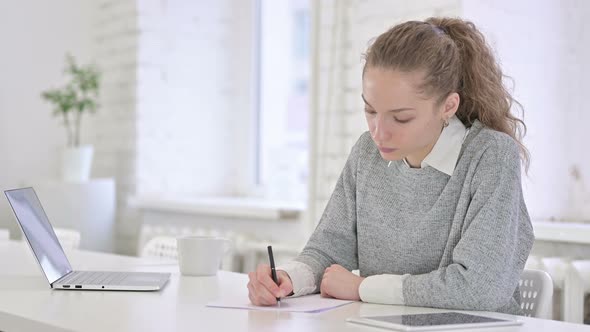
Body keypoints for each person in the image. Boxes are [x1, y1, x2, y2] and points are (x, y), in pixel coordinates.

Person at [247, 17, 534, 315]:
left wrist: (362, 287)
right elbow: (328, 249)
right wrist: (289, 278)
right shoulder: (367, 153)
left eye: (401, 118)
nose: (378, 132)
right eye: (370, 110)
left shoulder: (492, 156)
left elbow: (479, 288)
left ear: (448, 106)